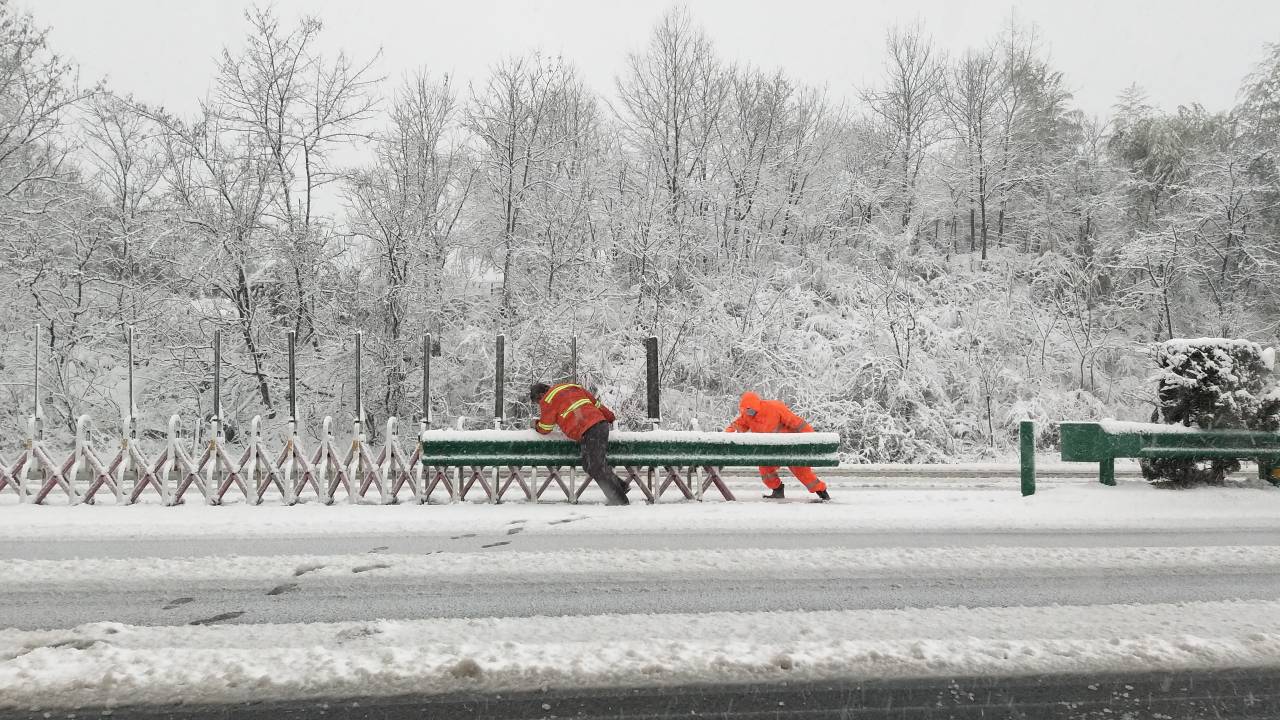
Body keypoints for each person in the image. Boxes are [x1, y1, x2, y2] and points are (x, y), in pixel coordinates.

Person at [530, 381, 630, 506]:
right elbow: (596, 404)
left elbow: (545, 428)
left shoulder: (548, 399)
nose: (539, 405)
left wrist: (535, 424)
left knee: (595, 466)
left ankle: (620, 500)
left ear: (540, 395)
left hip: (589, 430)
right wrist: (610, 417)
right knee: (588, 465)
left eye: (537, 402)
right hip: (600, 425)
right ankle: (621, 487)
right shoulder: (572, 387)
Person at [726, 391, 831, 501]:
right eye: (746, 410)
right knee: (765, 469)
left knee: (803, 472)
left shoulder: (774, 407)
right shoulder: (747, 416)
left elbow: (797, 423)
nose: (749, 412)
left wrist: (812, 438)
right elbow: (737, 426)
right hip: (771, 450)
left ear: (757, 406)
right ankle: (777, 490)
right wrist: (727, 434)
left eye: (751, 409)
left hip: (790, 447)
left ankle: (822, 492)